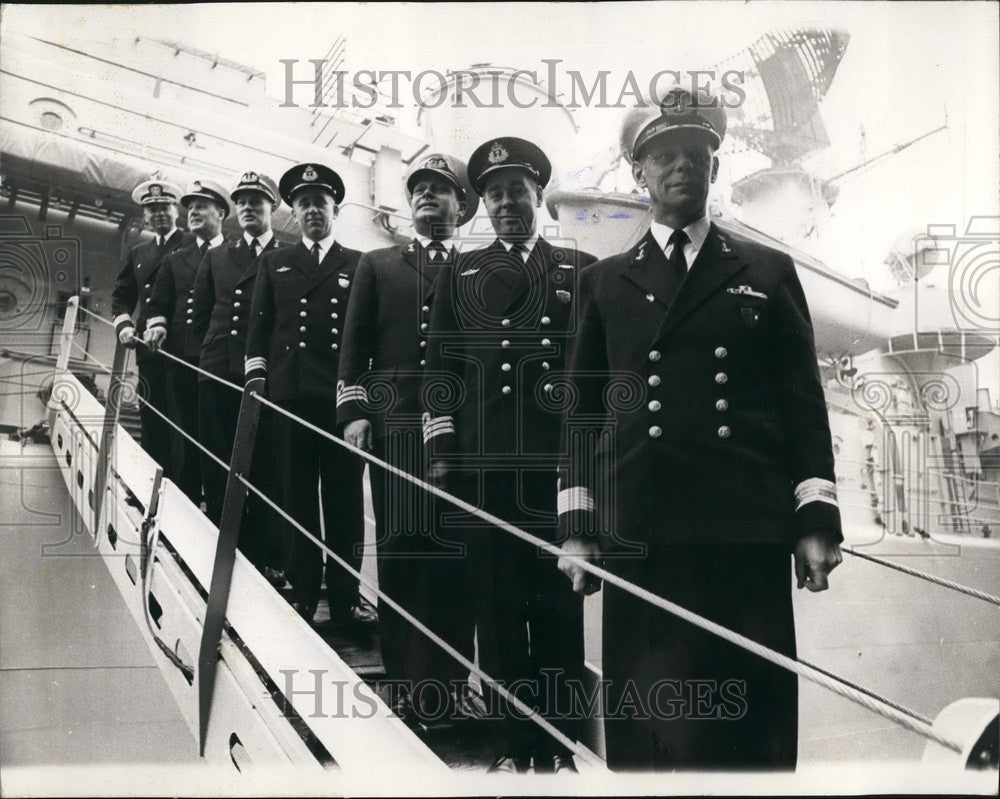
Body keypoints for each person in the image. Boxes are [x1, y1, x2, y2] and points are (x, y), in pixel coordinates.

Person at [556, 80, 844, 771]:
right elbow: (582, 413)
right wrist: (574, 527)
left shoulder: (767, 271)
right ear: (639, 173)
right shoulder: (605, 283)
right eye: (664, 156)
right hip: (642, 531)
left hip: (743, 530)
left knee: (752, 725)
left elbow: (801, 400)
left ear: (716, 166)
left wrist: (814, 521)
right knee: (651, 730)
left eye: (696, 152)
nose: (682, 165)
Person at [421, 137, 596, 773]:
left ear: (538, 195)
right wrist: (441, 457)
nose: (505, 203)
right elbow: (438, 369)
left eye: (516, 191)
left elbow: (596, 381)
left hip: (556, 475)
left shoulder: (580, 271)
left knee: (557, 614)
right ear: (482, 206)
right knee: (495, 614)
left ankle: (560, 750)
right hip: (485, 471)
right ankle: (511, 749)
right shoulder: (461, 273)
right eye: (493, 194)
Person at [337, 153, 478, 725]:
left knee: (455, 553)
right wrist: (354, 412)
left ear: (460, 206)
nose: (426, 197)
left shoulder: (479, 269)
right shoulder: (379, 264)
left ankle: (452, 683)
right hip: (396, 423)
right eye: (418, 189)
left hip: (462, 430)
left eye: (439, 190)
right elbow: (355, 343)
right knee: (400, 548)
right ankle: (406, 685)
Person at [245, 162, 375, 630]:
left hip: (339, 402)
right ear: (294, 212)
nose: (312, 210)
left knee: (344, 505)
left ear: (333, 208)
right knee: (296, 498)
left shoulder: (359, 262)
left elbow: (365, 337)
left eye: (320, 202)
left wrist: (360, 401)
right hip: (290, 398)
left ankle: (346, 599)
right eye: (304, 203)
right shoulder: (274, 261)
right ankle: (303, 593)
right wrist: (257, 385)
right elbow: (258, 329)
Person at [190, 171, 287, 581]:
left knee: (266, 468)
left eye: (257, 201)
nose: (248, 207)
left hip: (264, 378)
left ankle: (264, 557)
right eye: (242, 201)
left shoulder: (287, 255)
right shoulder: (218, 255)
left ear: (272, 208)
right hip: (218, 372)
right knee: (216, 463)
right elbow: (198, 316)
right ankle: (220, 553)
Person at [145, 179, 228, 505]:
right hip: (181, 362)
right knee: (183, 440)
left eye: (201, 207)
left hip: (220, 365)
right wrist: (158, 325)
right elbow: (158, 304)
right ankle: (184, 509)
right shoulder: (175, 260)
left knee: (219, 441)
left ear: (220, 212)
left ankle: (220, 514)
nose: (192, 212)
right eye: (189, 207)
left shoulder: (235, 255)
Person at [111, 178, 187, 471]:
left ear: (176, 210)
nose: (159, 214)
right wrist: (124, 326)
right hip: (148, 350)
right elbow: (121, 297)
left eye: (164, 207)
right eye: (152, 209)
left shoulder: (193, 245)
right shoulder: (138, 253)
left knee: (181, 423)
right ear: (144, 216)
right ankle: (148, 486)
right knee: (151, 420)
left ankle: (181, 489)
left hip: (181, 349)